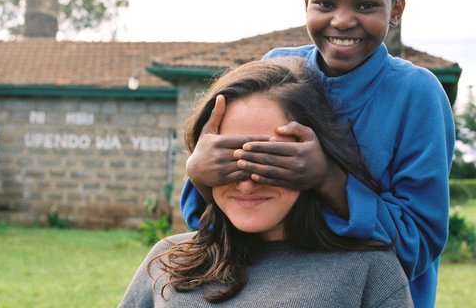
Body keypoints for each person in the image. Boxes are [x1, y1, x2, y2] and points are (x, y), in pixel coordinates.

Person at [180, 0, 454, 308]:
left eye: (365, 5)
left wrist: (327, 178)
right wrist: (200, 174)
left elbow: (418, 243)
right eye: (325, 4)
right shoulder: (279, 70)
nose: (342, 20)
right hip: (273, 293)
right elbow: (219, 218)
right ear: (306, 1)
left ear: (396, 10)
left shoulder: (416, 95)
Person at [119, 58, 413, 307]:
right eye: (229, 162)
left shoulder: (369, 272)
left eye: (272, 162)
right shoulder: (166, 260)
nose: (247, 184)